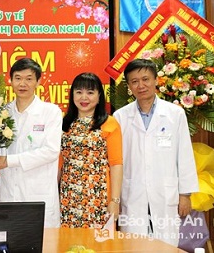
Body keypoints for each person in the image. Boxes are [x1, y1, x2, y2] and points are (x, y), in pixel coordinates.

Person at [113, 58, 198, 247]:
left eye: (145, 79)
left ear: (155, 80)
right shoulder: (120, 116)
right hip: (132, 193)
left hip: (165, 193)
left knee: (166, 244)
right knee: (132, 245)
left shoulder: (175, 114)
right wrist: (115, 198)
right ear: (129, 86)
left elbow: (184, 155)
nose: (140, 85)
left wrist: (185, 195)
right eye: (134, 81)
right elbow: (117, 161)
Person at [0, 57, 63, 228]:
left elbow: (51, 151)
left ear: (38, 82)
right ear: (10, 81)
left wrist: (8, 161)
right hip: (8, 194)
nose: (23, 84)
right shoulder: (2, 113)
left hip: (39, 196)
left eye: (29, 79)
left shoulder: (50, 112)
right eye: (18, 78)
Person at [59, 72, 123, 228]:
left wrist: (114, 201)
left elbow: (116, 164)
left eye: (90, 92)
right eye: (79, 92)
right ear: (72, 94)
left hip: (98, 196)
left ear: (99, 96)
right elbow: (59, 164)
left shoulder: (109, 123)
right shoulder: (63, 123)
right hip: (68, 196)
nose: (84, 98)